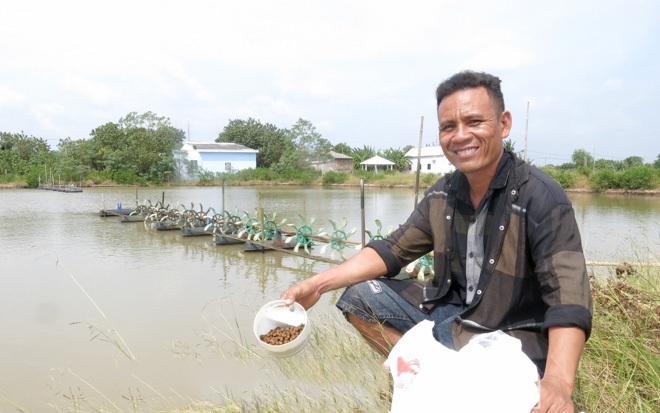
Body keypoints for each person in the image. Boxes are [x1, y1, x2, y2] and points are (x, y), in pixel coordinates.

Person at [281, 70, 592, 412]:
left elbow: (569, 301)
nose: (460, 136)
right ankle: (420, 376)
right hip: (452, 316)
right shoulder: (442, 193)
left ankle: (450, 384)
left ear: (504, 124)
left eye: (474, 122)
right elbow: (392, 250)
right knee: (359, 297)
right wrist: (317, 284)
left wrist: (559, 384)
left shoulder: (541, 197)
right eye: (448, 127)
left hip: (511, 335)